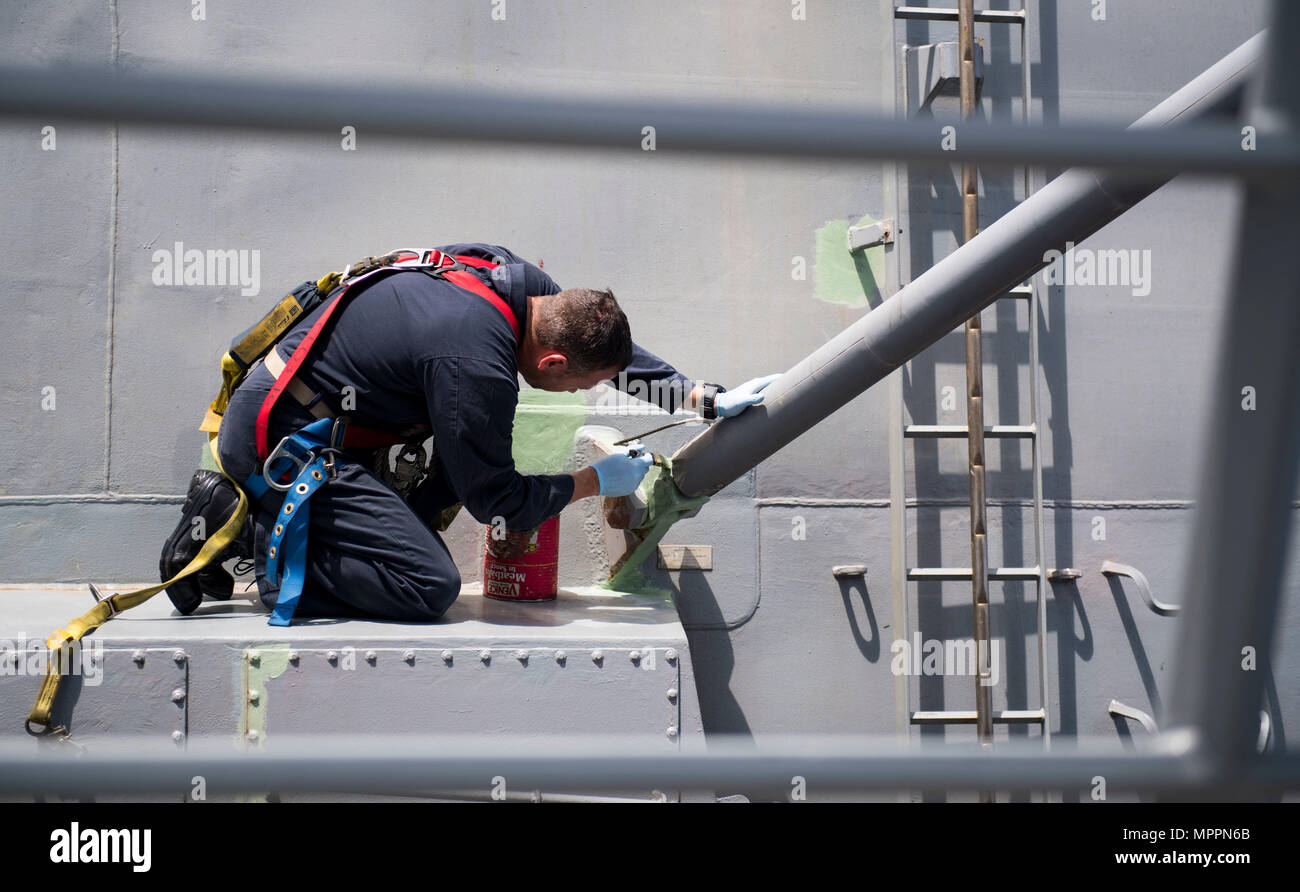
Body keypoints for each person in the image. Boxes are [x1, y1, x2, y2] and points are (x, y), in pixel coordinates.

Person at [159, 243, 779, 621]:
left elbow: (610, 350)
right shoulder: (474, 364)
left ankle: (274, 527)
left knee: (451, 474)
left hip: (307, 414)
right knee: (429, 586)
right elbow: (495, 500)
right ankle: (256, 539)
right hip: (283, 444)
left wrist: (699, 397)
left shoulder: (520, 287)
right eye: (578, 386)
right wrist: (595, 480)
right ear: (553, 363)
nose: (581, 395)